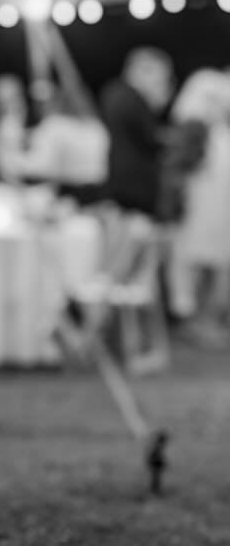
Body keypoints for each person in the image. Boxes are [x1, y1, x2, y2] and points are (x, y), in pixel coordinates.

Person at [163, 68, 230, 340]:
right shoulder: (195, 131)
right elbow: (176, 171)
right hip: (199, 211)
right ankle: (195, 320)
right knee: (196, 263)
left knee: (216, 264)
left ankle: (211, 318)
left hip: (218, 211)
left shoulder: (219, 133)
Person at [99, 47, 174, 217]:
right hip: (136, 186)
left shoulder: (115, 92)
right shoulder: (132, 98)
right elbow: (151, 138)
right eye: (160, 78)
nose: (162, 84)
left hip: (121, 181)